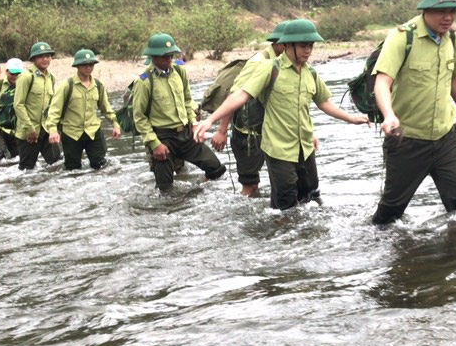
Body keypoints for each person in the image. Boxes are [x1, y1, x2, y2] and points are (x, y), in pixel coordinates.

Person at [195, 19, 368, 210]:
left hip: (304, 147)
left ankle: (302, 236)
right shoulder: (270, 68)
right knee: (285, 201)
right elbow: (241, 95)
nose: (308, 50)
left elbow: (324, 103)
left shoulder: (311, 72)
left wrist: (352, 119)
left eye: (310, 45)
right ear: (287, 45)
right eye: (303, 46)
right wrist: (212, 121)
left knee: (310, 194)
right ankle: (280, 235)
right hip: (279, 148)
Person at [369, 0, 456, 225]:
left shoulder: (452, 39)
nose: (448, 17)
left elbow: (454, 78)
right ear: (425, 10)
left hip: (445, 137)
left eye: (452, 11)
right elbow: (382, 82)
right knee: (390, 216)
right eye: (441, 11)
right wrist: (389, 115)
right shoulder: (401, 38)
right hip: (407, 139)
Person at [130, 33, 226, 190]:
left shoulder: (180, 73)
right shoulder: (143, 81)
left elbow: (188, 101)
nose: (169, 59)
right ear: (153, 56)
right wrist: (155, 145)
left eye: (171, 55)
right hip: (162, 138)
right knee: (165, 189)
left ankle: (198, 193)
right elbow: (139, 118)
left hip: (186, 134)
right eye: (165, 56)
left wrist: (194, 125)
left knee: (216, 169)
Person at [214, 20, 289, 197]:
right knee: (250, 186)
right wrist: (222, 130)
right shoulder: (259, 62)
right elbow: (233, 94)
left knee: (283, 182)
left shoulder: (285, 63)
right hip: (248, 136)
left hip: (270, 132)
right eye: (289, 44)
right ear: (277, 43)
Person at [44, 49, 121, 171]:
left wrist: (115, 124)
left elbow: (106, 108)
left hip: (93, 132)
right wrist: (52, 130)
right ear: (77, 66)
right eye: (84, 64)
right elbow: (54, 110)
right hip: (71, 134)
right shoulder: (66, 85)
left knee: (101, 167)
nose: (88, 67)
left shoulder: (98, 85)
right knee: (72, 170)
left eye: (91, 64)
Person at [13, 41, 63, 170]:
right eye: (41, 56)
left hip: (45, 130)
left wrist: (55, 128)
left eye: (48, 56)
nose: (45, 59)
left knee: (57, 164)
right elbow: (18, 105)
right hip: (28, 133)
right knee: (26, 170)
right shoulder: (26, 77)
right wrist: (30, 129)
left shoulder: (51, 77)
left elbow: (51, 105)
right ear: (34, 59)